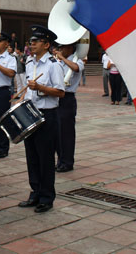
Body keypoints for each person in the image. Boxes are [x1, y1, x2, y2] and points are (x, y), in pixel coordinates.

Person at [18, 25, 64, 213]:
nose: (32, 44)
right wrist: (21, 99)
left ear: (46, 45)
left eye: (36, 41)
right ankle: (35, 192)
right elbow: (28, 89)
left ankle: (46, 197)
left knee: (45, 158)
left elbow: (60, 92)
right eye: (31, 41)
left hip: (47, 116)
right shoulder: (30, 62)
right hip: (30, 113)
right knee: (32, 157)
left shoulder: (53, 65)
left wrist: (40, 88)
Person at [55, 41, 84, 172]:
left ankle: (67, 162)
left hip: (68, 98)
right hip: (57, 97)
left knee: (66, 133)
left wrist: (62, 58)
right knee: (58, 133)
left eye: (63, 47)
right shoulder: (59, 62)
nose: (60, 49)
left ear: (70, 48)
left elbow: (76, 68)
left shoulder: (77, 60)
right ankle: (60, 160)